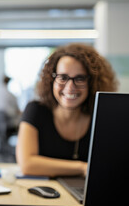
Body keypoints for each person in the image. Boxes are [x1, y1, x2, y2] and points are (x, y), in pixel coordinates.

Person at [16, 43, 118, 177]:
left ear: (92, 83)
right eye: (63, 78)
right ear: (51, 80)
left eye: (80, 78)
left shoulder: (102, 117)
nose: (70, 87)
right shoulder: (35, 110)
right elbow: (27, 164)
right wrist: (82, 167)